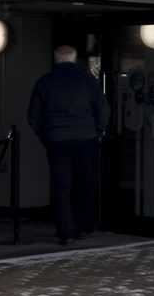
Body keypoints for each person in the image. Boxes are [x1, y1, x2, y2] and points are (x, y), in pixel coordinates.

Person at [27, 42, 107, 244]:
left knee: (61, 185)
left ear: (56, 60)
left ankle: (66, 232)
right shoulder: (88, 80)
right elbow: (103, 109)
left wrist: (46, 136)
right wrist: (98, 131)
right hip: (86, 138)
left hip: (57, 140)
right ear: (74, 59)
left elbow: (34, 116)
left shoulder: (45, 82)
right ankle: (84, 227)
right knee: (85, 183)